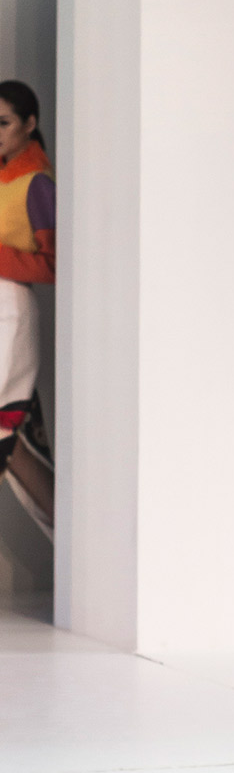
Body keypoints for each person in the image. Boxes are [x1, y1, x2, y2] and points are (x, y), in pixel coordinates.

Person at [0, 80, 56, 541]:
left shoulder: (37, 183)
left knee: (6, 431)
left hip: (10, 309)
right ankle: (76, 543)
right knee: (10, 438)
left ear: (30, 124)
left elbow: (57, 265)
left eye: (3, 123)